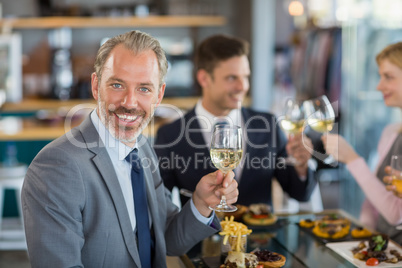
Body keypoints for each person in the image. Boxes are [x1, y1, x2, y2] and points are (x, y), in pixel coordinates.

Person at [21, 30, 238, 268]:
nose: (130, 102)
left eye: (144, 89)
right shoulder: (56, 166)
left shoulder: (142, 147)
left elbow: (166, 240)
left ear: (159, 95)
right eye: (117, 85)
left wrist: (200, 203)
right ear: (96, 86)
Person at [154, 34, 316, 208]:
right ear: (204, 79)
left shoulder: (267, 125)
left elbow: (300, 194)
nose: (242, 86)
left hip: (259, 234)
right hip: (203, 235)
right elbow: (161, 205)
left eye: (245, 76)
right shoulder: (170, 136)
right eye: (232, 78)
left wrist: (301, 166)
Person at [323, 41, 402, 244]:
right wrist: (365, 237)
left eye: (388, 77)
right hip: (383, 248)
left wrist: (352, 159)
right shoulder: (390, 132)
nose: (379, 85)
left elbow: (396, 214)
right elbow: (372, 200)